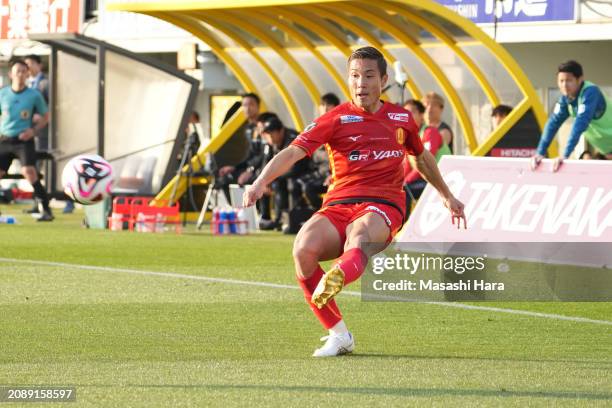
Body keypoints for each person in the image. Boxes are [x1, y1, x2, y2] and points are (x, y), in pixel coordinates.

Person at [243, 46, 466, 357]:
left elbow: (421, 158)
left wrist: (447, 195)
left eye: (369, 75)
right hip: (339, 204)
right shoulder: (335, 118)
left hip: (384, 204)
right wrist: (259, 182)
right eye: (355, 76)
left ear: (384, 79)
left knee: (358, 236)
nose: (361, 83)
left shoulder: (401, 119)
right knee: (303, 250)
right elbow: (293, 152)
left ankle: (337, 276)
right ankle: (339, 335)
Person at [532, 60, 612, 171]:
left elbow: (580, 123)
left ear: (580, 80)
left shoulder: (591, 92)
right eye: (561, 81)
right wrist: (540, 153)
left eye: (569, 80)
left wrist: (565, 155)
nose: (564, 85)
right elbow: (552, 124)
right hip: (608, 152)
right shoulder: (565, 99)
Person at [0, 59, 53, 221]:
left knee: (29, 172)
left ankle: (46, 209)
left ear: (27, 74)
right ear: (11, 74)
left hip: (24, 140)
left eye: (24, 71)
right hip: (5, 139)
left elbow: (46, 116)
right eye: (18, 71)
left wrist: (33, 131)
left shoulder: (34, 94)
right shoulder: (3, 93)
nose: (21, 74)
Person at [256, 114, 311, 230]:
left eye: (272, 133)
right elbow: (267, 163)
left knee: (284, 183)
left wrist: (272, 178)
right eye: (268, 133)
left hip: (303, 171)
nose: (269, 136)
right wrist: (265, 180)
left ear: (280, 131)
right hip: (286, 174)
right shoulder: (271, 143)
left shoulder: (292, 138)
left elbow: (295, 167)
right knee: (263, 182)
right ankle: (269, 218)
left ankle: (289, 220)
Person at [402, 99, 451, 216]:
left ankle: (401, 228)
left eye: (411, 112)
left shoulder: (430, 132)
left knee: (405, 190)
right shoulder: (409, 136)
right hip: (426, 179)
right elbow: (408, 166)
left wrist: (405, 182)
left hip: (441, 180)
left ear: (421, 115)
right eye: (404, 113)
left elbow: (424, 163)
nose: (407, 116)